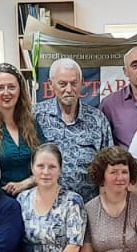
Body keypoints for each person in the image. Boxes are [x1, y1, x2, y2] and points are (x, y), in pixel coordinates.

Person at [35, 57, 115, 200]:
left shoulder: (98, 120)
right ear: (51, 84)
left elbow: (108, 166)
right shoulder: (36, 116)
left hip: (88, 206)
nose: (69, 89)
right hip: (46, 207)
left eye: (74, 83)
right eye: (62, 84)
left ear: (82, 83)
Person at [0, 63, 42, 195]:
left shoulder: (32, 125)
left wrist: (26, 183)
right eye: (0, 88)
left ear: (20, 90)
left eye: (11, 87)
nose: (6, 93)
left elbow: (47, 164)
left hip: (34, 203)